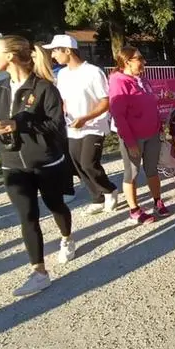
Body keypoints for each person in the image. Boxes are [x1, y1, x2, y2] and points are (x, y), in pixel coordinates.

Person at [0, 35, 75, 297]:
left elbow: (56, 125)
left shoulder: (45, 88)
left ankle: (67, 237)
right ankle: (39, 272)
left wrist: (19, 124)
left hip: (45, 161)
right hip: (12, 164)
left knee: (55, 205)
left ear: (10, 56)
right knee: (27, 216)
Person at [44, 34, 119, 214]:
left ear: (67, 51)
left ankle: (109, 189)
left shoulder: (93, 72)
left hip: (94, 125)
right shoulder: (61, 74)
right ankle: (97, 197)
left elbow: (105, 101)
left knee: (88, 163)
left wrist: (86, 117)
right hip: (72, 127)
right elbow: (63, 100)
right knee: (76, 163)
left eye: (55, 51)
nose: (53, 55)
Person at [108, 45, 169, 224]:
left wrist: (159, 127)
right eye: (139, 58)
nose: (144, 61)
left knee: (152, 169)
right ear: (127, 62)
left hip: (151, 133)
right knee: (132, 172)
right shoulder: (118, 81)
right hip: (133, 136)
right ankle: (134, 209)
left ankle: (157, 201)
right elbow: (118, 115)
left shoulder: (142, 79)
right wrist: (130, 142)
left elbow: (151, 105)